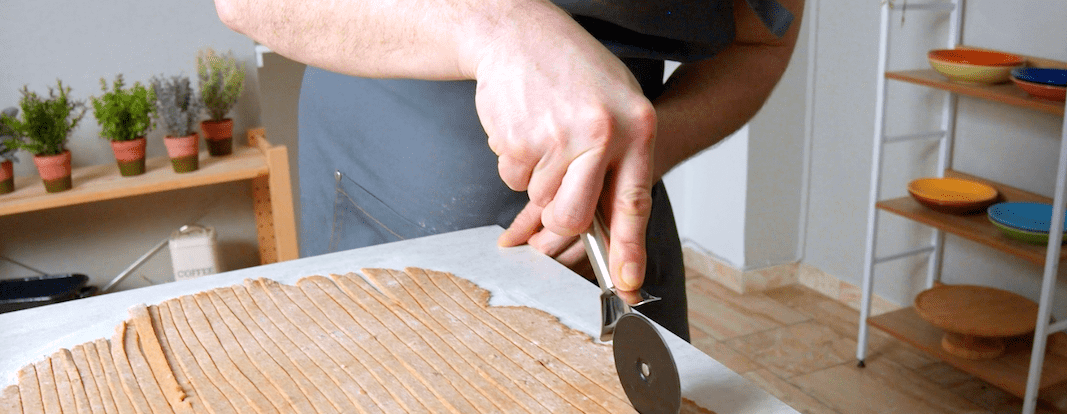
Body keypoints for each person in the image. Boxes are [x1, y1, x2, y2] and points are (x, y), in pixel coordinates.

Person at [215, 0, 803, 341]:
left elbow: (760, 43)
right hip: (385, 211)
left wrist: (625, 159)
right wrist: (496, 29)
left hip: (612, 234)